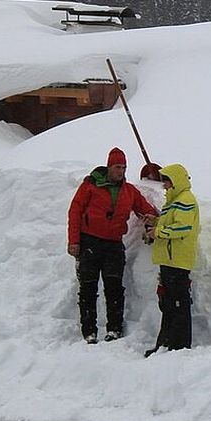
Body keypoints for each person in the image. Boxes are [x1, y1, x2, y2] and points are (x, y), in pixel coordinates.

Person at [67, 147, 158, 344]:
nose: (121, 171)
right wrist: (74, 240)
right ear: (109, 166)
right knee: (88, 287)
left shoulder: (129, 191)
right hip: (89, 242)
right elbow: (75, 211)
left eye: (124, 167)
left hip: (114, 244)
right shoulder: (90, 186)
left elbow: (145, 209)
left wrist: (158, 219)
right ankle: (89, 330)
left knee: (114, 287)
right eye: (118, 167)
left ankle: (114, 328)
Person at [145, 163, 200, 357]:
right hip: (169, 260)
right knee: (168, 304)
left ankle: (179, 347)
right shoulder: (173, 201)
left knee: (178, 305)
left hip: (178, 260)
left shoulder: (185, 200)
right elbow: (171, 223)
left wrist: (158, 231)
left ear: (175, 181)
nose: (164, 185)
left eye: (166, 181)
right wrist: (156, 222)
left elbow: (183, 228)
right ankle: (166, 344)